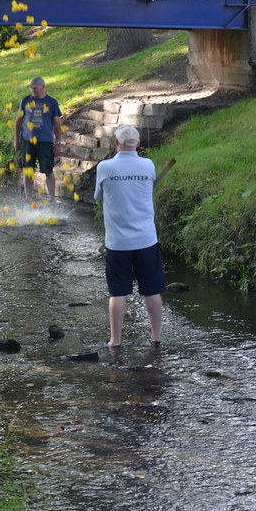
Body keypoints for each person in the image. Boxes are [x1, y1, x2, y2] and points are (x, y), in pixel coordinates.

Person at [94, 125, 164, 348]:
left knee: (118, 292)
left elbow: (98, 197)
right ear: (138, 144)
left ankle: (116, 340)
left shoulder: (105, 167)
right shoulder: (148, 165)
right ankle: (156, 336)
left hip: (118, 243)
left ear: (116, 143)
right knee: (151, 290)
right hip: (146, 240)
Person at [14, 77, 63, 202]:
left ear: (42, 87)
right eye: (31, 88)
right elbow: (19, 121)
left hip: (45, 141)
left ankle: (52, 198)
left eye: (35, 88)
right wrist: (16, 139)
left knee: (48, 170)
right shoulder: (25, 100)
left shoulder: (51, 102)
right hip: (27, 140)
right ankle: (28, 197)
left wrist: (58, 142)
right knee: (28, 170)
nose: (33, 90)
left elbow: (57, 123)